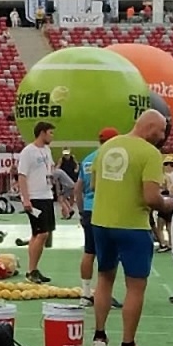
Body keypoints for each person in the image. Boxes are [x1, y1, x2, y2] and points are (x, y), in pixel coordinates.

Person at [90, 109, 173, 346]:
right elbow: (150, 197)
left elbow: (94, 185)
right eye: (160, 132)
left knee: (104, 278)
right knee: (135, 286)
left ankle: (100, 336)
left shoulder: (107, 147)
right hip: (132, 227)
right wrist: (166, 204)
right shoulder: (150, 153)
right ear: (150, 128)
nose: (161, 137)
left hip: (101, 222)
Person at [75, 127, 115, 302]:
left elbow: (78, 188)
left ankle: (85, 292)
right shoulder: (112, 158)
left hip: (89, 210)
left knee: (89, 251)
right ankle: (103, 294)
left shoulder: (88, 159)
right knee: (108, 254)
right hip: (106, 209)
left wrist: (82, 210)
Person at [18, 121, 57, 285]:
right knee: (41, 234)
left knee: (40, 233)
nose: (52, 136)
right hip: (35, 197)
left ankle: (33, 270)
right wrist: (26, 199)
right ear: (42, 133)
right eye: (50, 132)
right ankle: (31, 270)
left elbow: (50, 168)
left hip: (47, 195)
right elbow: (22, 175)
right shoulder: (28, 152)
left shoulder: (46, 150)